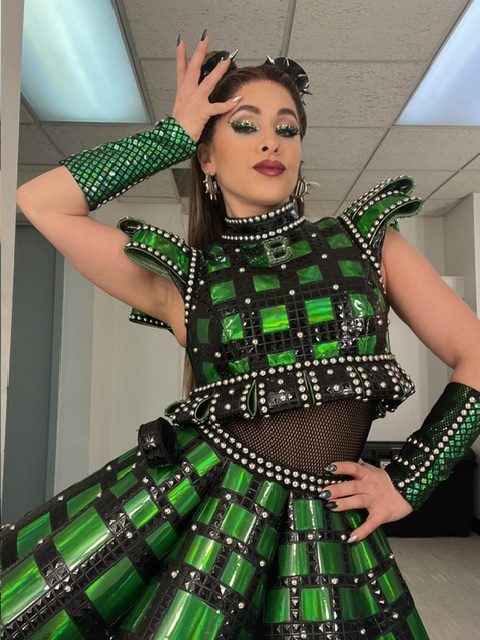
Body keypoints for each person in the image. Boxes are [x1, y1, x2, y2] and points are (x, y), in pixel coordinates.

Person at [2, 32, 480, 640]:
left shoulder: (365, 243)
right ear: (207, 157)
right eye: (245, 125)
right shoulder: (186, 276)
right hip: (202, 513)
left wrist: (411, 479)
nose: (270, 141)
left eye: (287, 128)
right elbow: (41, 202)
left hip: (328, 527)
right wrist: (172, 134)